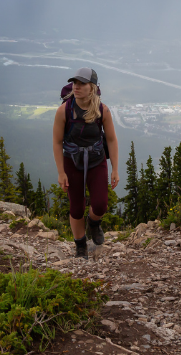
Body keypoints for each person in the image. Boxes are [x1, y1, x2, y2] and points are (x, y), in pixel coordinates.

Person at [53, 67, 120, 259]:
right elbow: (57, 143)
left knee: (100, 205)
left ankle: (94, 222)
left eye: (82, 84)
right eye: (75, 83)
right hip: (72, 162)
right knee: (76, 207)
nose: (77, 87)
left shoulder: (102, 110)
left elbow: (112, 140)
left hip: (96, 161)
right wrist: (61, 172)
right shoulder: (64, 111)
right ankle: (80, 245)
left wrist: (115, 169)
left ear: (92, 87)